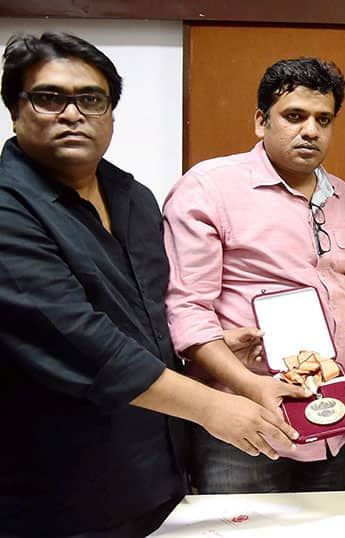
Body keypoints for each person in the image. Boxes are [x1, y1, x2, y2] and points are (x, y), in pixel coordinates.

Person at [0, 32, 300, 536]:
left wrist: (207, 350)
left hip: (157, 477)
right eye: (49, 98)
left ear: (111, 114)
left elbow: (142, 315)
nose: (72, 114)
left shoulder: (134, 197)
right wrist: (216, 406)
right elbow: (81, 341)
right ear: (15, 108)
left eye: (90, 99)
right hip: (58, 494)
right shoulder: (9, 209)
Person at [162, 57, 345, 493]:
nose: (310, 130)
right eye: (294, 116)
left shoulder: (344, 199)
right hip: (243, 421)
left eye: (323, 119)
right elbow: (187, 311)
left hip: (331, 419)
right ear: (260, 121)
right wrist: (251, 387)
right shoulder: (209, 187)